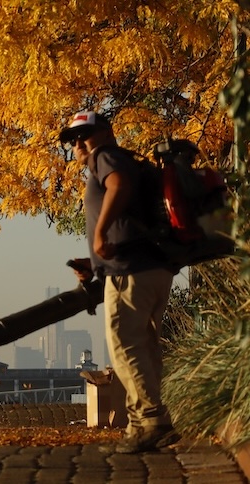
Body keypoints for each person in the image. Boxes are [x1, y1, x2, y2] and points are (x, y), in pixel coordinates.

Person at [59, 110, 180, 453]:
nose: (79, 144)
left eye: (85, 135)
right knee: (143, 346)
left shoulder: (106, 156)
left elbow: (119, 185)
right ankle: (141, 426)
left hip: (131, 271)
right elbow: (130, 220)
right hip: (151, 267)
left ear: (107, 133)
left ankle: (152, 420)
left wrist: (99, 234)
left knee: (125, 346)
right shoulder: (128, 161)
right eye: (72, 140)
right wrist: (96, 262)